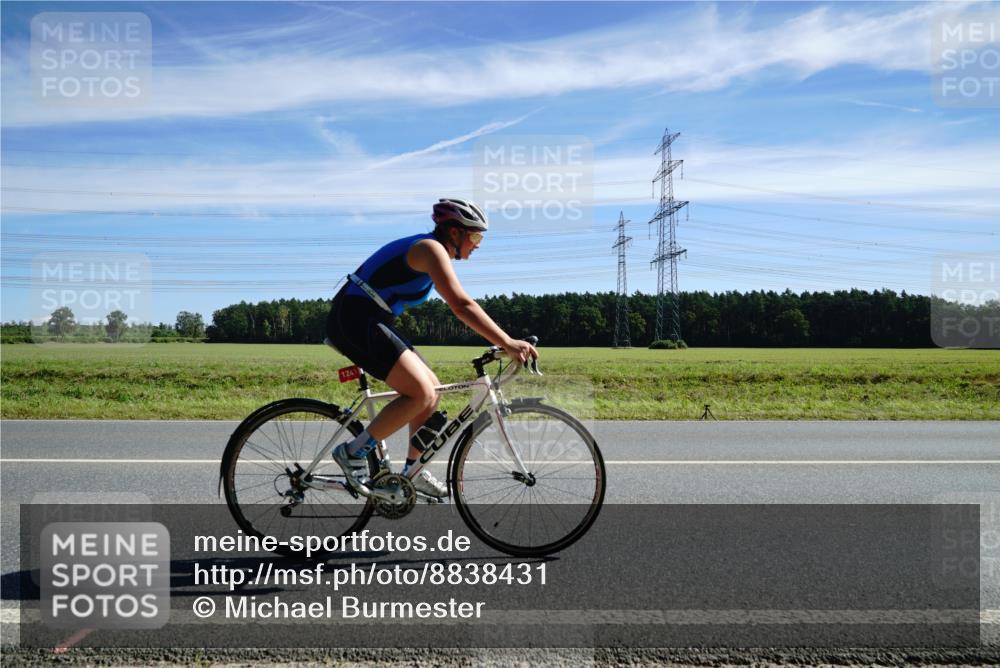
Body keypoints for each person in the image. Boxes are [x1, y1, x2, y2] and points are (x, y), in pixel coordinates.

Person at [325, 198, 539, 497]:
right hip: (354, 318)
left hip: (371, 318)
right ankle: (353, 452)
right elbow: (461, 305)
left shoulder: (434, 250)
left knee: (433, 391)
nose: (478, 244)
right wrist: (506, 341)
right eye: (475, 236)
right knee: (420, 392)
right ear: (455, 232)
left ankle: (413, 472)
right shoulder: (430, 249)